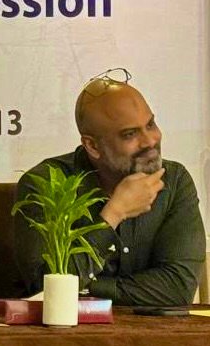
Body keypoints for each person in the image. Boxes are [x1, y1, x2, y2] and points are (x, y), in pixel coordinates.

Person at [13, 68, 206, 305]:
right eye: (130, 134)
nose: (150, 141)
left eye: (150, 124)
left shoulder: (174, 180)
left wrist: (86, 288)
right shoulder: (48, 185)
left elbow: (178, 288)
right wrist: (113, 214)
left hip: (150, 329)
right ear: (93, 146)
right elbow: (45, 288)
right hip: (65, 329)